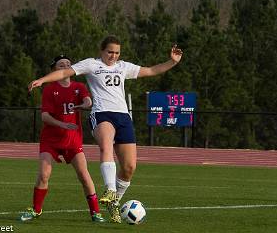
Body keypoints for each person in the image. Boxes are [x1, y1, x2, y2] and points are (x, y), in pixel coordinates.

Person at [28, 36, 183, 223]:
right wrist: (41, 80)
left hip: (123, 117)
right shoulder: (91, 64)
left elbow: (150, 70)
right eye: (110, 52)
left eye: (117, 52)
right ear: (102, 51)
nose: (113, 56)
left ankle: (114, 200)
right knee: (106, 145)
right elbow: (63, 73)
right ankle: (109, 189)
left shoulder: (123, 67)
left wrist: (172, 62)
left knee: (129, 167)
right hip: (102, 114)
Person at [20, 55, 105, 223]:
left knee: (84, 175)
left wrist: (85, 104)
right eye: (61, 65)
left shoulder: (79, 86)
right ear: (55, 70)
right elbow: (45, 116)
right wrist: (62, 124)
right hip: (51, 140)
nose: (65, 66)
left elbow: (88, 100)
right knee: (44, 174)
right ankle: (36, 210)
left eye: (68, 64)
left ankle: (95, 212)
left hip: (73, 141)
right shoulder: (50, 89)